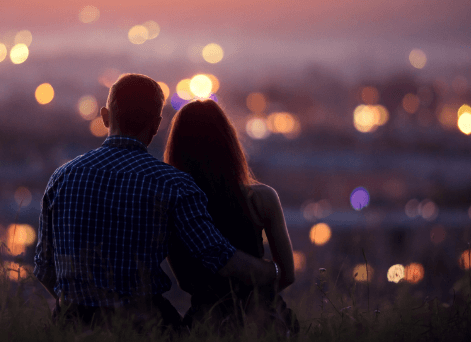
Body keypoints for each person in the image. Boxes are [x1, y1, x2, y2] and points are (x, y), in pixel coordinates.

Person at [33, 74, 280, 331]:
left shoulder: (63, 177)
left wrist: (81, 307)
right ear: (156, 125)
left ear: (106, 117)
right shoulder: (173, 184)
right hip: (144, 324)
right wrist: (272, 272)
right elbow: (218, 257)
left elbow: (44, 269)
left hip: (72, 324)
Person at [164, 99, 297, 333]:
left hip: (206, 321)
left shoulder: (175, 205)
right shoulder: (262, 199)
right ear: (229, 143)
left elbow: (185, 281)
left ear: (177, 149)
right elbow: (286, 274)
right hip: (266, 316)